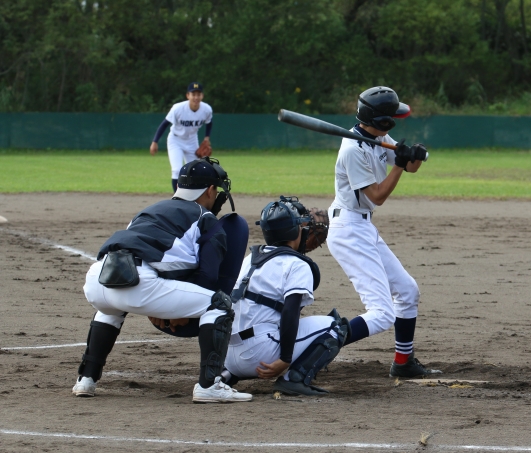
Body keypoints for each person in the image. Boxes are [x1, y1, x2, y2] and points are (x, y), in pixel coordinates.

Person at [72, 157, 252, 403]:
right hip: (143, 285)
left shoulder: (148, 211)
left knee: (112, 305)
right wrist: (174, 312)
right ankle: (209, 386)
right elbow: (209, 277)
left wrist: (163, 307)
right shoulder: (205, 218)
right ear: (210, 190)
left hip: (97, 280)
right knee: (219, 304)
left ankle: (86, 379)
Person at [325, 86, 438, 378]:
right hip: (349, 229)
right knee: (381, 312)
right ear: (383, 121)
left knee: (407, 291)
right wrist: (399, 166)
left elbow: (409, 166)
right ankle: (313, 347)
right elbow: (377, 196)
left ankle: (403, 362)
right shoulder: (353, 149)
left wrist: (414, 155)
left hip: (362, 226)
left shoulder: (377, 138)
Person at [223, 197, 350, 396]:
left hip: (227, 357)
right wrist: (285, 359)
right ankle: (294, 380)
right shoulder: (297, 264)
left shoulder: (250, 259)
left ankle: (226, 376)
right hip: (260, 357)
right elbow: (290, 312)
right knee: (335, 326)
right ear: (295, 231)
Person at [150, 82, 213, 192]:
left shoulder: (206, 109)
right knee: (177, 170)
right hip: (176, 140)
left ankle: (193, 197)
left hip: (192, 140)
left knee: (195, 170)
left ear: (202, 96)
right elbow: (164, 124)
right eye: (193, 94)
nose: (196, 97)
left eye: (198, 94)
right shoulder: (178, 108)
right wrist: (155, 142)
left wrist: (207, 137)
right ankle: (178, 197)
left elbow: (209, 122)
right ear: (188, 95)